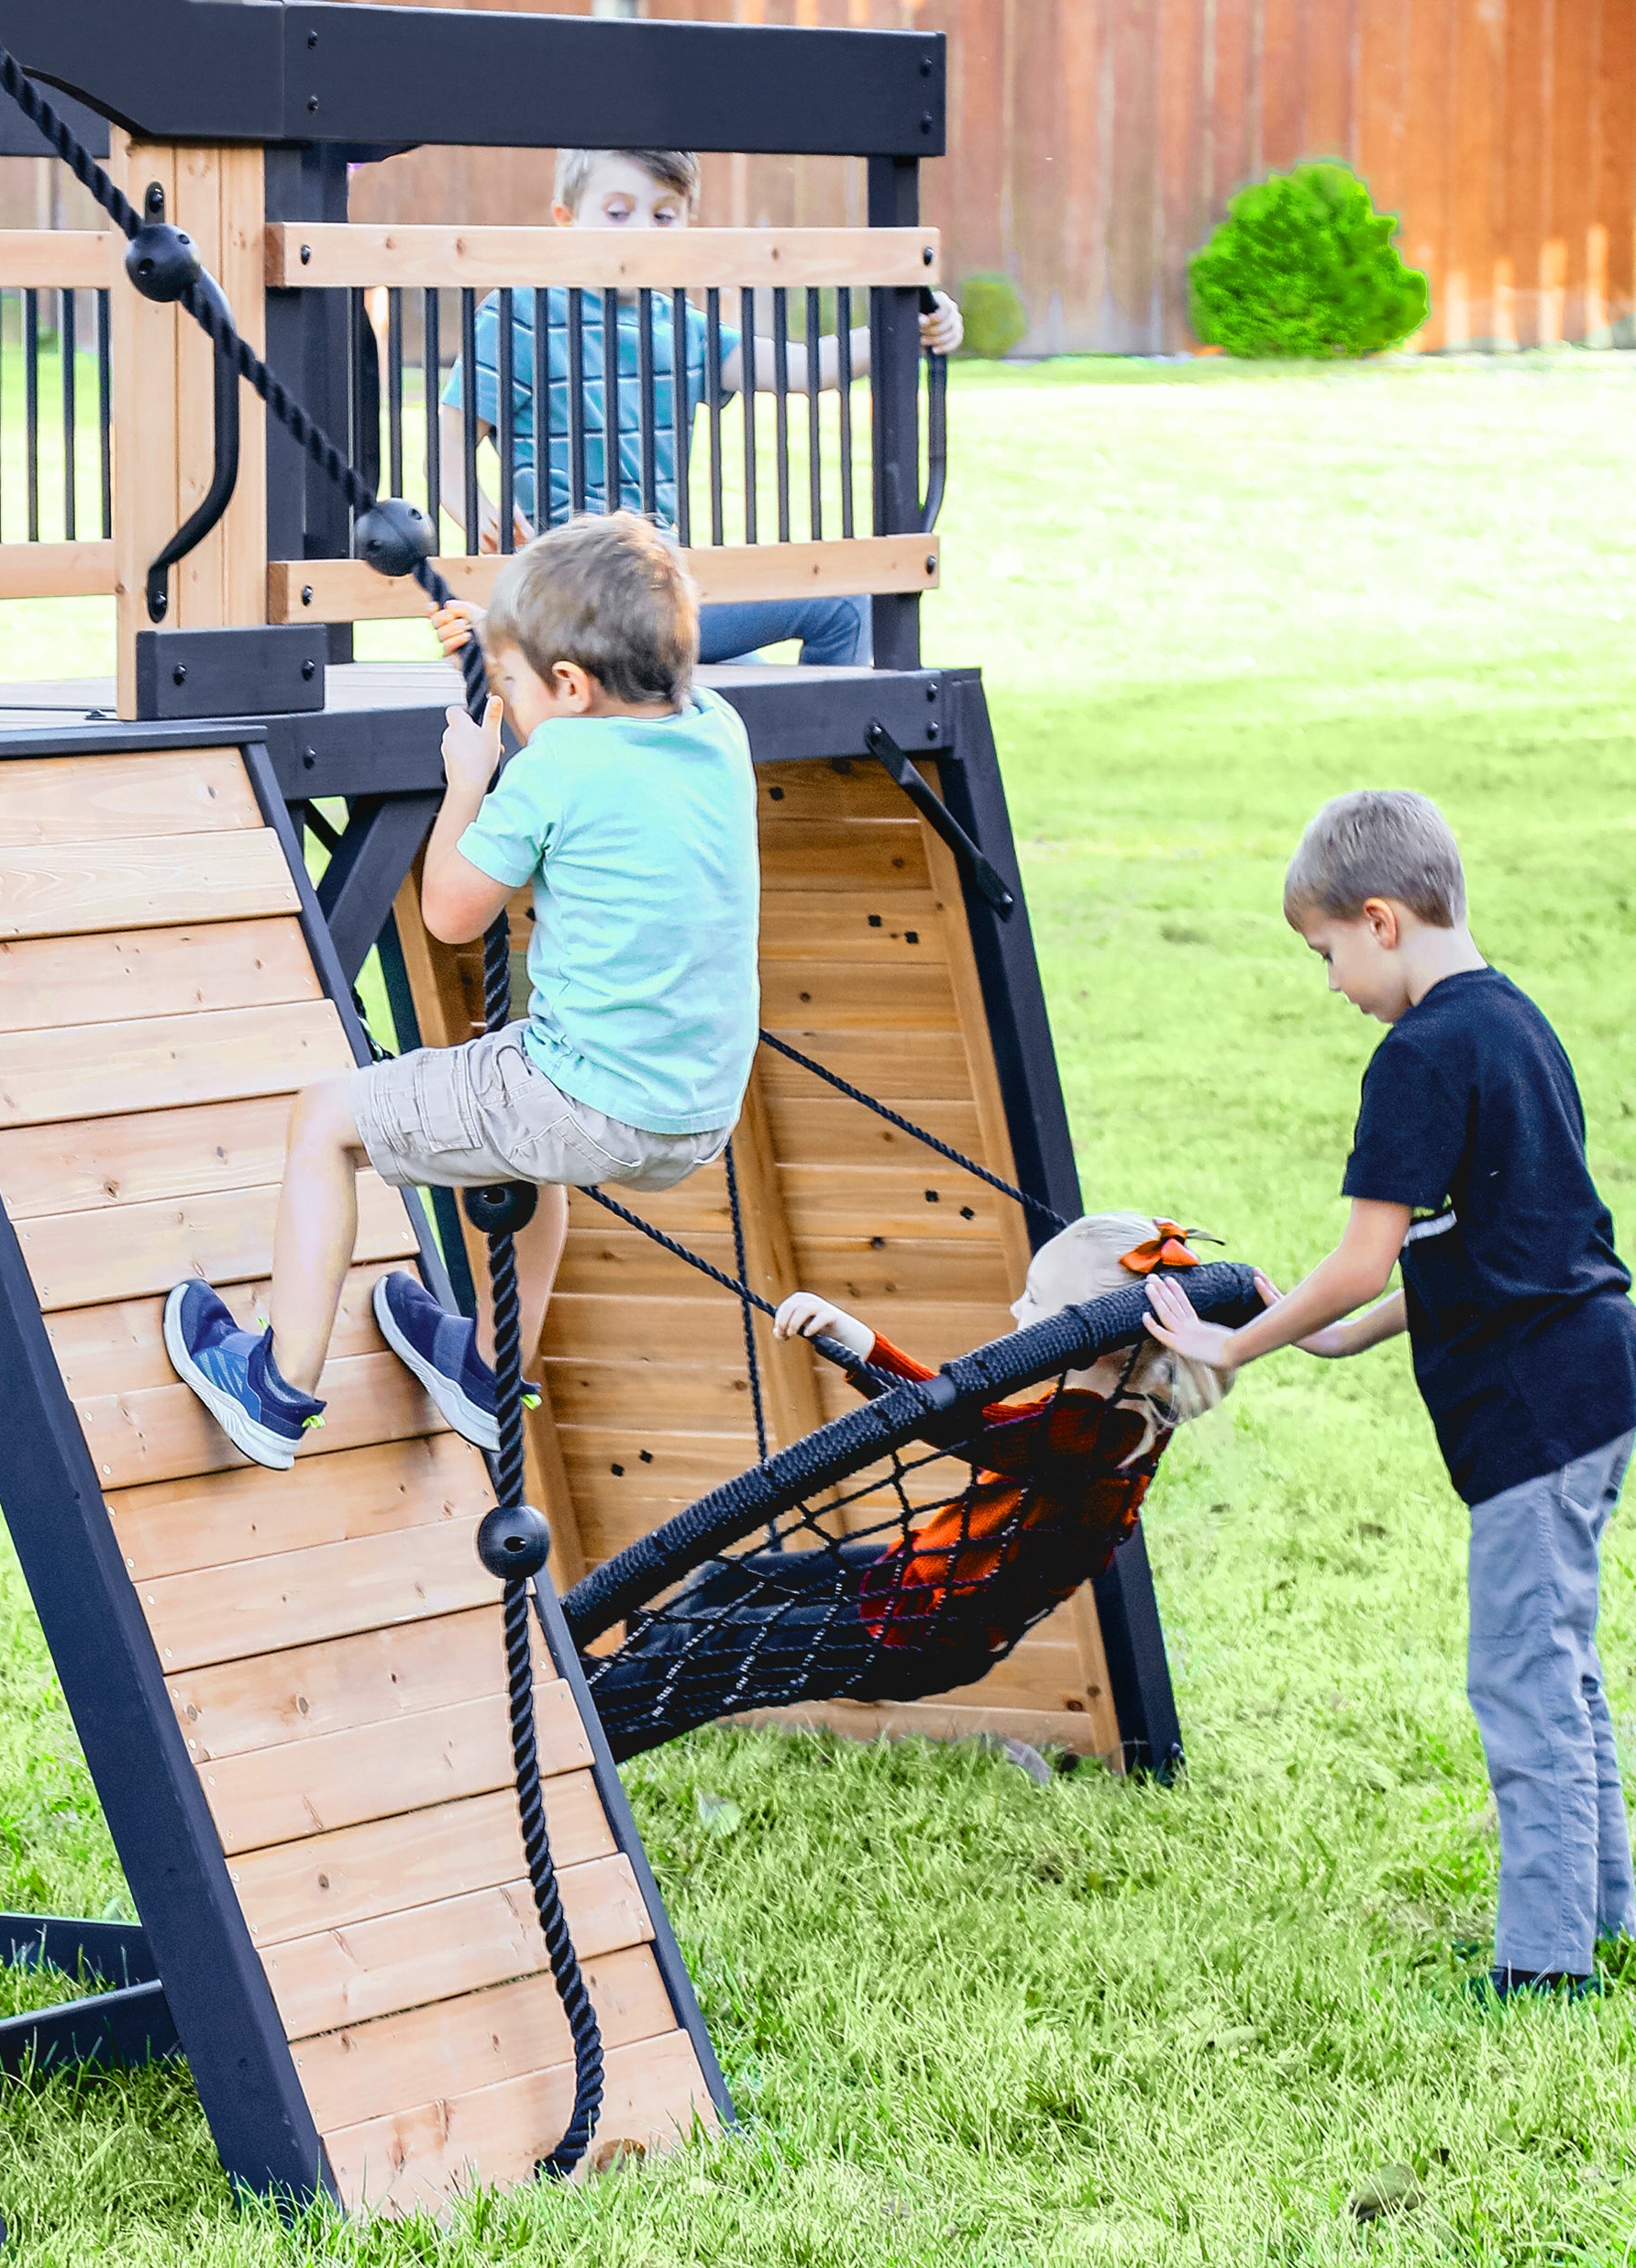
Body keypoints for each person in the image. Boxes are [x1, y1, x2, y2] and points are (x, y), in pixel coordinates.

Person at [1144, 790, 1636, 1999]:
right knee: (1560, 1666)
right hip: (1594, 1377)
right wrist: (1342, 1340)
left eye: (1324, 955)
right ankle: (1604, 1918)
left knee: (1522, 1680)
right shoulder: (1515, 1022)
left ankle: (1546, 1967)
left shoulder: (1416, 1057)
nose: (1329, 984)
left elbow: (1368, 1250)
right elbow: (1493, 1240)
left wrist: (1230, 1347)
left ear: (1379, 920)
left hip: (1534, 1412)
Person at [163, 513, 758, 1470]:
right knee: (527, 1144)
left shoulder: (559, 761)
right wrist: (504, 646)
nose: (505, 696)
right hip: (691, 1108)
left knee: (323, 1118)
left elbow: (449, 912)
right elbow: (585, 695)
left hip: (584, 1095)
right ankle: (488, 1367)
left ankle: (275, 1386)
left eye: (513, 681)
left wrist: (469, 781)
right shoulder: (714, 727)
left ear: (569, 684)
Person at [581, 1213, 1233, 1759]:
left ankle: (586, 1726)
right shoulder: (1129, 1405)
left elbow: (970, 1425)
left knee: (717, 1648)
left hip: (918, 1633)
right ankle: (612, 1688)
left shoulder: (1096, 1434)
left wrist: (862, 1345)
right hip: (914, 1584)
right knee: (732, 1585)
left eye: (1035, 1301)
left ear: (1095, 1341)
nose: (1016, 1307)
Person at [432, 147, 965, 669]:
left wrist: (902, 328)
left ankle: (822, 755)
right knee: (843, 604)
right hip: (573, 593)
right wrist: (480, 512)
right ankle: (841, 753)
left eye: (663, 216)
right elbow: (450, 437)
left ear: (688, 227)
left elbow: (797, 368)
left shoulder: (680, 328)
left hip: (657, 591)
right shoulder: (523, 314)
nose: (641, 231)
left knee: (746, 684)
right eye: (618, 213)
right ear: (565, 220)